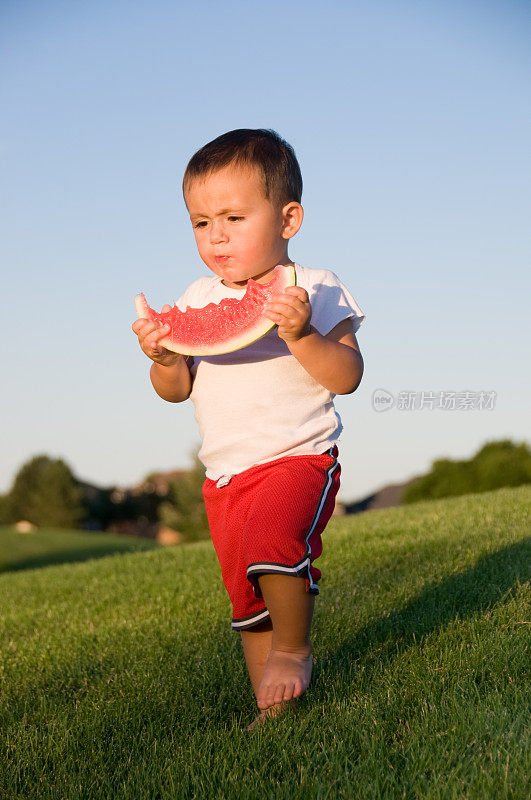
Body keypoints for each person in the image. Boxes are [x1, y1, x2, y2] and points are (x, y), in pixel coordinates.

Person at [132, 129, 366, 730]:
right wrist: (164, 358)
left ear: (289, 218)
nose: (217, 236)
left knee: (272, 551)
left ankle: (294, 649)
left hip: (297, 457)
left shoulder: (315, 287)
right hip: (224, 477)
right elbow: (175, 390)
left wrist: (301, 334)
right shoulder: (197, 297)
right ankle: (273, 706)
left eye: (234, 217)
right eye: (200, 222)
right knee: (246, 597)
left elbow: (346, 376)